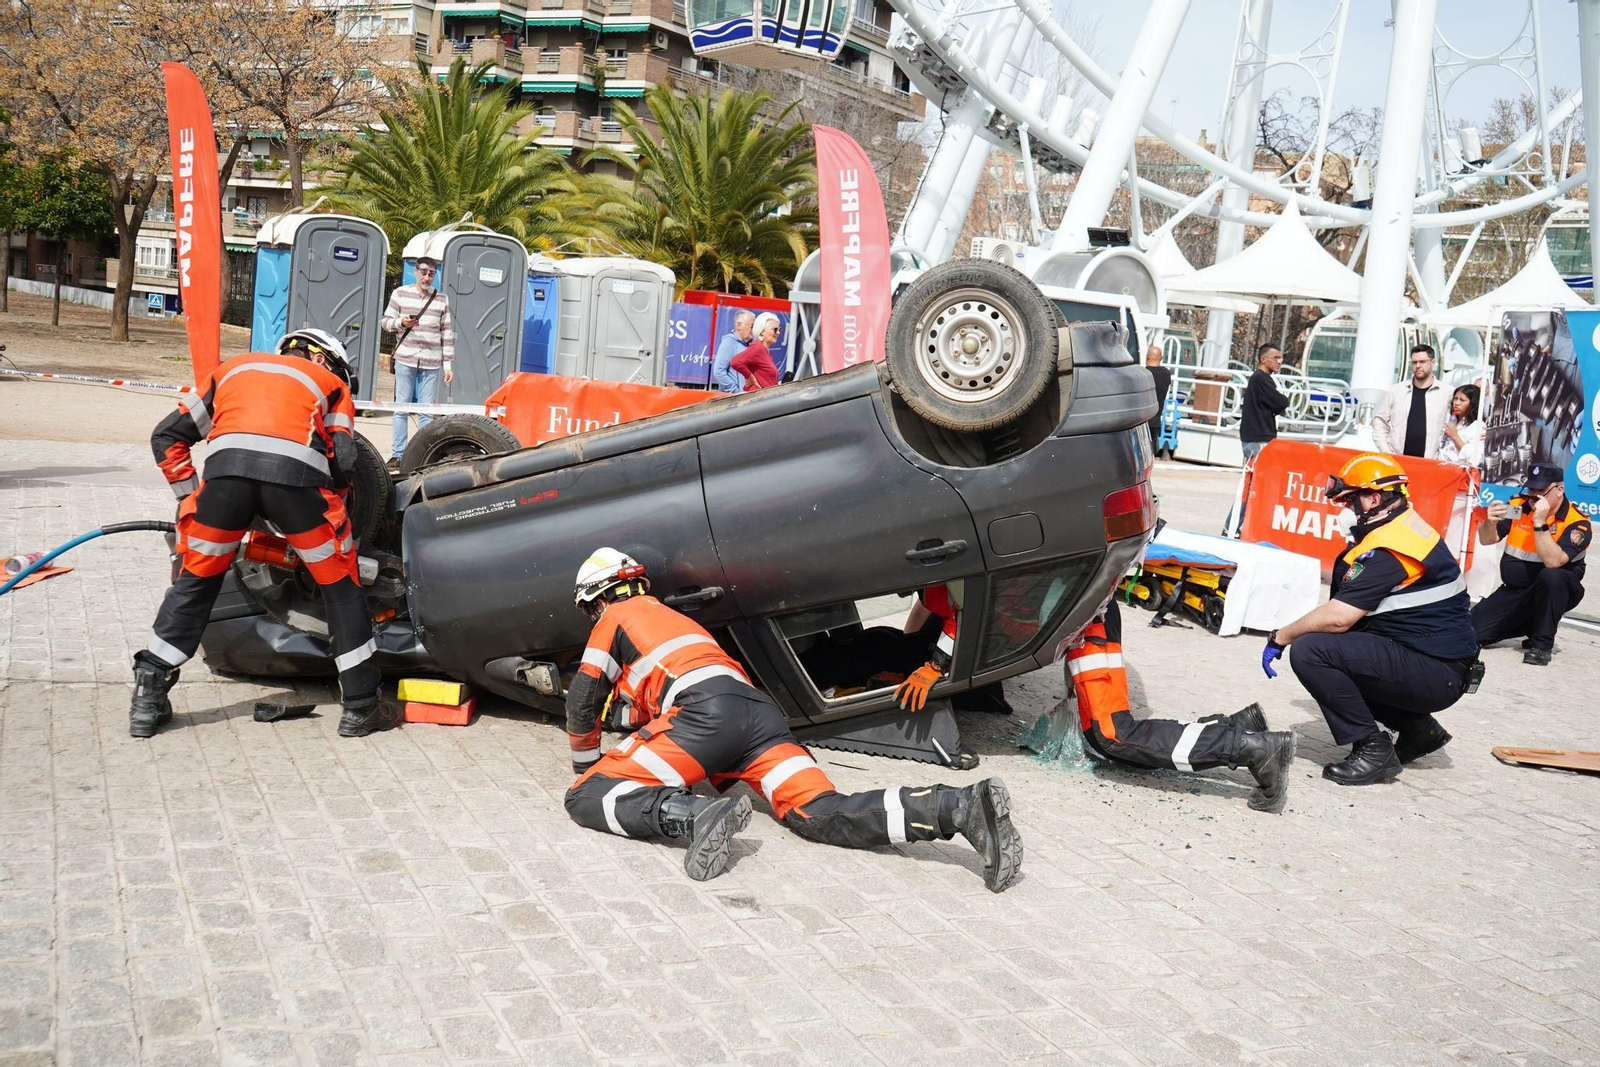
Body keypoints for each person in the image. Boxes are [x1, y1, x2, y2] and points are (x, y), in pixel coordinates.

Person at [562, 549, 1024, 891]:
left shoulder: (616, 617)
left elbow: (584, 699)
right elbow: (649, 706)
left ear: (597, 600)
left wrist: (587, 765)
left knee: (586, 797)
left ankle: (695, 816)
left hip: (705, 716)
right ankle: (958, 808)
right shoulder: (675, 621)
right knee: (818, 811)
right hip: (759, 717)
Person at [135, 330, 396, 740]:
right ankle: (362, 707)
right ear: (326, 360)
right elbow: (345, 459)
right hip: (297, 488)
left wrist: (190, 499)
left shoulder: (233, 369)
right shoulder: (330, 385)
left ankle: (148, 696)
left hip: (223, 486)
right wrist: (335, 512)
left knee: (196, 583)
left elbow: (166, 437)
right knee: (342, 589)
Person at [1264, 454, 1478, 785]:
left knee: (1312, 651)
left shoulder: (1390, 549)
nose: (1345, 509)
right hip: (1438, 663)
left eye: (1350, 500)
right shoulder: (1403, 526)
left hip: (1437, 672)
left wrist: (1281, 636)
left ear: (1375, 499)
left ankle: (1372, 749)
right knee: (1346, 654)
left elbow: (1338, 618)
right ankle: (1419, 731)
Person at [1065, 601, 1297, 813]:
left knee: (1112, 735)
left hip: (1087, 616)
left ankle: (1253, 748)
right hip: (1090, 610)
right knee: (1105, 740)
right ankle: (1232, 728)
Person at [1471, 463, 1589, 666]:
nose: (1534, 496)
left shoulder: (1577, 522)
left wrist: (1539, 522)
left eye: (1541, 491)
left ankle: (1541, 645)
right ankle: (1530, 623)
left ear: (1559, 490)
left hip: (1555, 591)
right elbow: (1487, 540)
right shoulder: (1518, 506)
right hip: (1515, 592)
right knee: (1471, 633)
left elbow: (1554, 562)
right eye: (1531, 489)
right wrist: (1489, 523)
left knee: (1552, 576)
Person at [380, 256, 455, 470]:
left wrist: (448, 365)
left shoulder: (441, 299)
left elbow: (447, 333)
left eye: (432, 273)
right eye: (424, 271)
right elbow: (385, 323)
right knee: (401, 408)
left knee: (426, 411)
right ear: (416, 271)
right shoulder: (400, 293)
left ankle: (423, 455)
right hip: (406, 357)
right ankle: (398, 455)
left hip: (432, 361)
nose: (427, 276)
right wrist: (400, 323)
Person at [1371, 344, 1448, 458]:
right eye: (1414, 362)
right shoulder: (1396, 390)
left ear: (1433, 363)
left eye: (1422, 362)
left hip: (1430, 464)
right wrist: (1386, 450)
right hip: (1398, 461)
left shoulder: (1447, 392)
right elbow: (1379, 421)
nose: (1418, 366)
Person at [1240, 343, 1288, 463]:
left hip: (1255, 437)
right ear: (1263, 359)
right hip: (1257, 439)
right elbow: (1280, 402)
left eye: (1280, 358)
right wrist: (1284, 401)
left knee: (1254, 476)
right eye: (1275, 358)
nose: (1279, 362)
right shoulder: (1261, 378)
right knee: (1258, 476)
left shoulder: (1258, 378)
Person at [730, 312, 781, 392]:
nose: (778, 333)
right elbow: (735, 362)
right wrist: (750, 377)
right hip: (757, 399)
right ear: (762, 331)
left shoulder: (765, 351)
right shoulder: (757, 348)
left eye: (779, 329)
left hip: (767, 398)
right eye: (775, 329)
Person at [1437, 384, 1485, 468]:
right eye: (1455, 399)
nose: (1457, 403)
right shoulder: (1449, 420)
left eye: (1462, 400)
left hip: (1459, 474)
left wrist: (1455, 437)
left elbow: (1475, 459)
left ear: (1472, 404)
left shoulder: (1477, 426)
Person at [710, 310, 755, 394]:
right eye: (752, 326)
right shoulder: (729, 342)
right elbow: (719, 371)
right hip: (734, 400)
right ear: (739, 325)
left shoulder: (751, 344)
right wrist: (735, 391)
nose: (753, 330)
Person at [1144, 345, 1173, 450]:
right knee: (1151, 451)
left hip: (1142, 420)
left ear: (1147, 357)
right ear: (1161, 358)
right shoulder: (1166, 374)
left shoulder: (1143, 374)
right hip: (1156, 420)